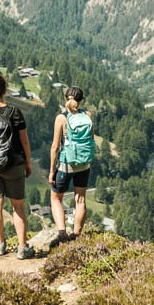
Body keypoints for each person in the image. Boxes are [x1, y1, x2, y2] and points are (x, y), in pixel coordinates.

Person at [0, 70, 35, 258]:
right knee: (17, 206)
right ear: (5, 90)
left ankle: (0, 245)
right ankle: (22, 248)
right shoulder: (14, 113)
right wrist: (27, 162)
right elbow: (24, 141)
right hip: (13, 163)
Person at [49, 85, 95, 239]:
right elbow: (92, 140)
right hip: (84, 164)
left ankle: (62, 233)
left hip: (66, 164)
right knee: (80, 200)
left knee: (56, 198)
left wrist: (51, 171)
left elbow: (55, 146)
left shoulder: (61, 118)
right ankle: (76, 235)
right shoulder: (87, 115)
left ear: (65, 99)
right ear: (81, 101)